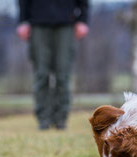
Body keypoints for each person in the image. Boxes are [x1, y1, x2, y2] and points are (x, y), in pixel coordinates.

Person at [17, 0, 89, 130]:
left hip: (66, 22)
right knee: (41, 75)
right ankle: (43, 120)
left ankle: (61, 119)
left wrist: (83, 19)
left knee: (63, 75)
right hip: (38, 22)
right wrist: (23, 20)